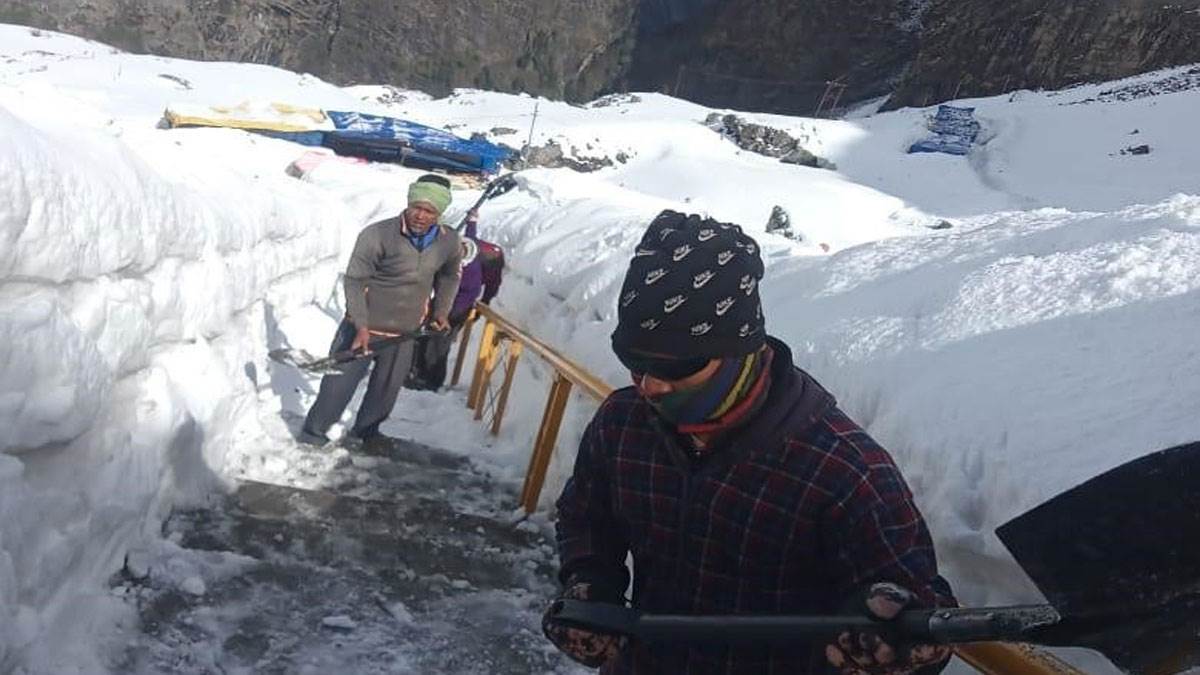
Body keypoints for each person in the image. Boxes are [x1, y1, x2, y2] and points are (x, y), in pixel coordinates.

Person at [542, 210, 955, 674]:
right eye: (635, 362)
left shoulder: (845, 470)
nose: (651, 386)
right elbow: (587, 514)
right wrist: (589, 581)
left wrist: (895, 638)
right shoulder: (623, 423)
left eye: (678, 367)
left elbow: (920, 609)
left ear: (740, 350)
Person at [300, 174, 463, 448]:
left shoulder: (448, 242)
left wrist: (440, 312)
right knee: (337, 387)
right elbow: (354, 280)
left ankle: (366, 432)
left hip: (405, 331)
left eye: (429, 211)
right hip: (363, 327)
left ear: (440, 213)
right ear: (408, 204)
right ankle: (313, 433)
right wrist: (361, 325)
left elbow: (449, 277)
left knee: (385, 391)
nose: (420, 216)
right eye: (416, 208)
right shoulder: (378, 234)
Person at [408, 208, 506, 391]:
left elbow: (469, 293)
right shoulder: (460, 247)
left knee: (439, 343)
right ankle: (415, 372)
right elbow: (471, 235)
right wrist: (472, 220)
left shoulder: (470, 272)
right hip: (441, 302)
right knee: (421, 337)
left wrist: (447, 314)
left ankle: (431, 382)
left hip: (458, 309)